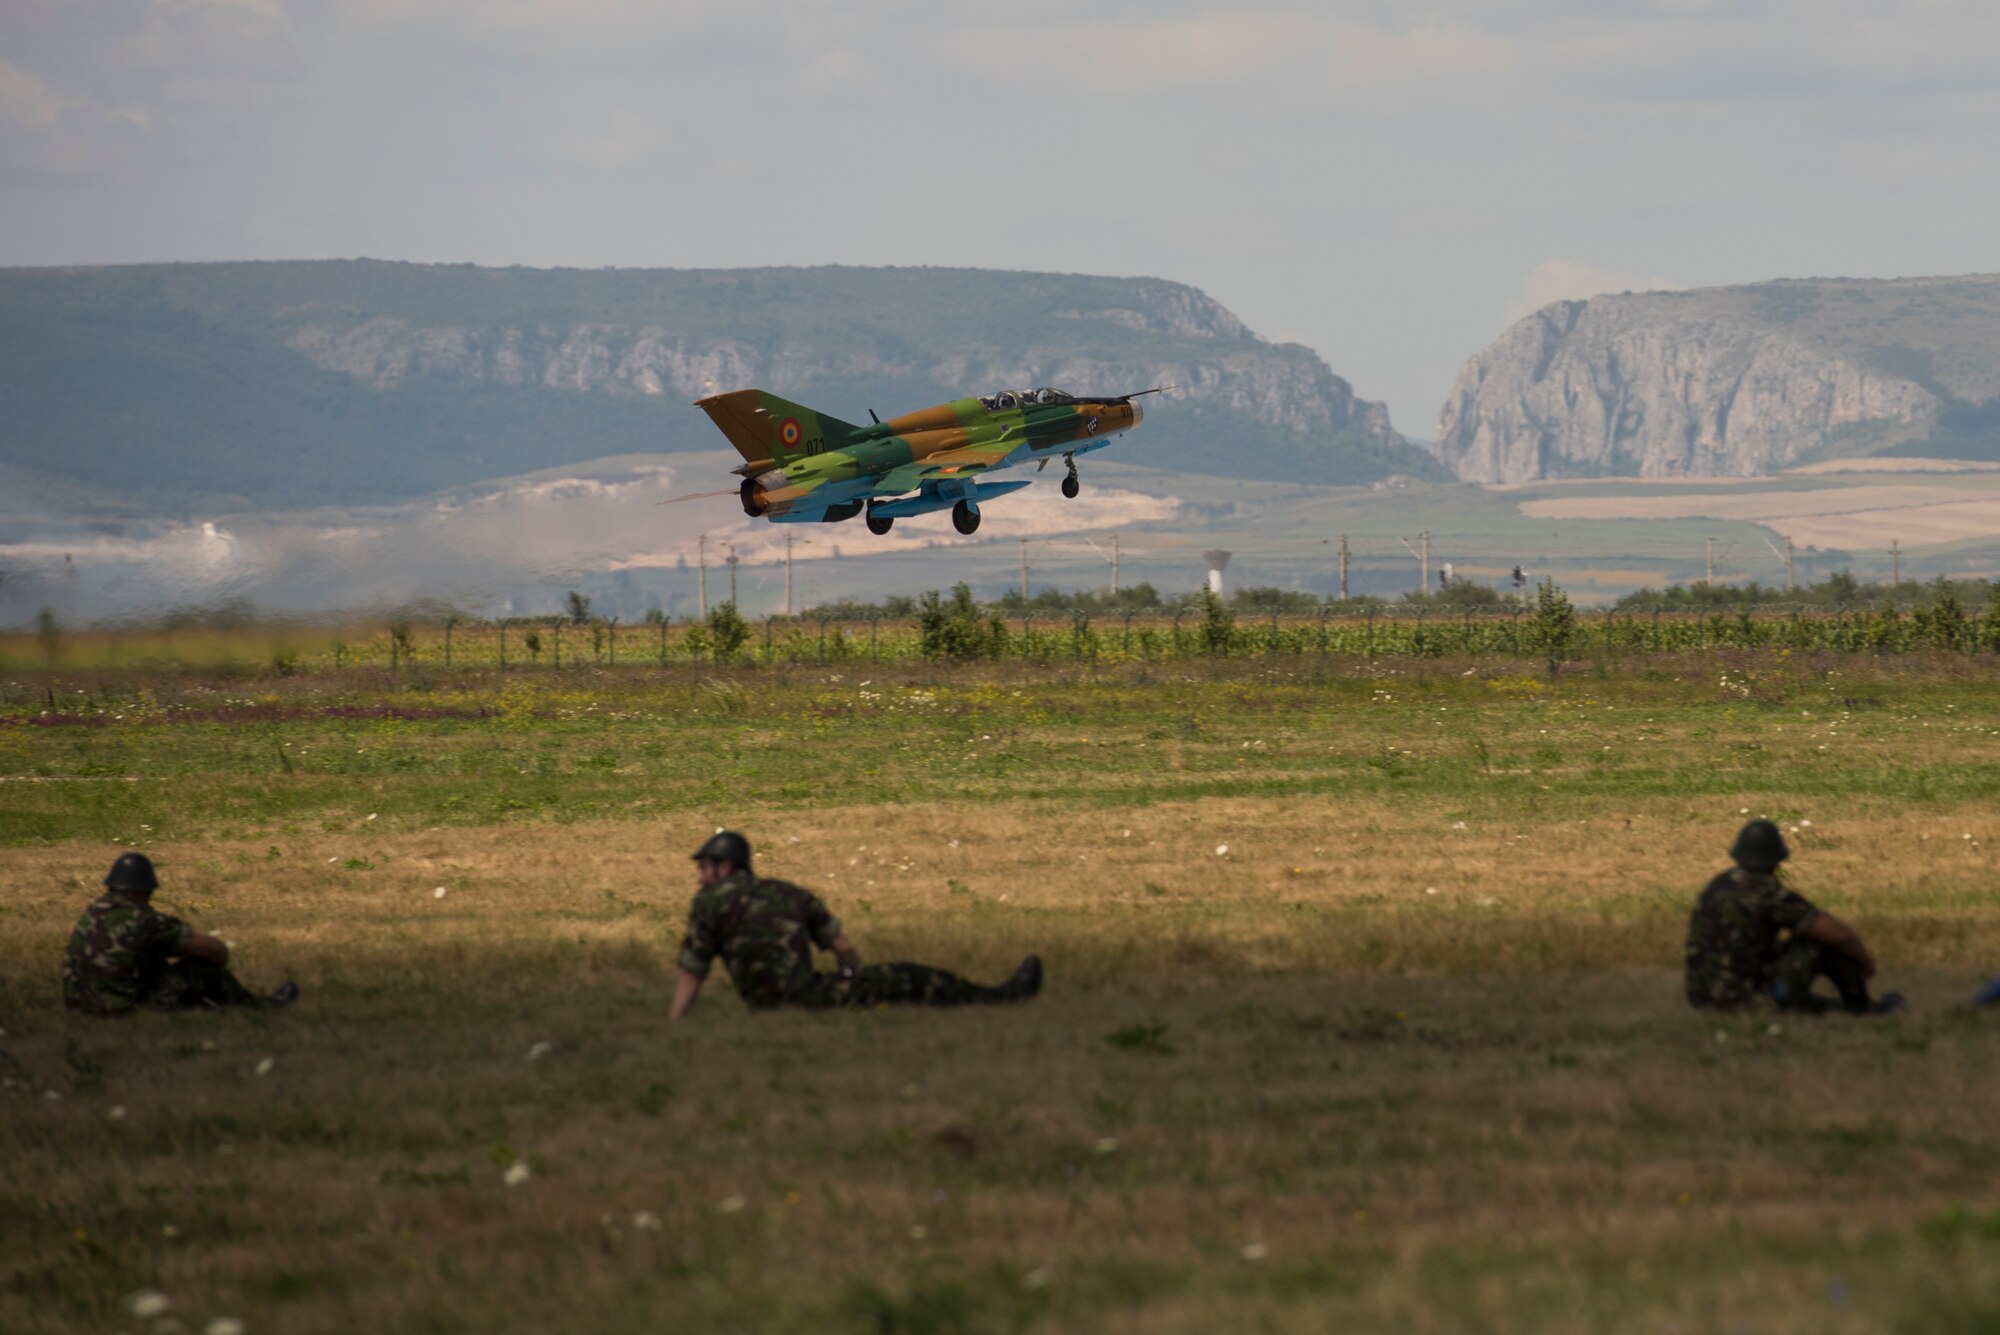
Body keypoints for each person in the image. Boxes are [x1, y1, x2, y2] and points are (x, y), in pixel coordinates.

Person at [669, 831, 1041, 1019]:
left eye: (704, 868)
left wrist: (675, 1022)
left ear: (725, 867)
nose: (700, 878)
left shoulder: (707, 904)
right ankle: (994, 998)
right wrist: (855, 981)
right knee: (909, 976)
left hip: (766, 1009)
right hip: (811, 1000)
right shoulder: (790, 894)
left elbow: (692, 973)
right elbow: (843, 947)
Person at [1684, 819, 1901, 1015]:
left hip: (1702, 1000)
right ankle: (1862, 1008)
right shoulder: (1770, 893)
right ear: (1776, 860)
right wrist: (1865, 963)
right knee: (1819, 942)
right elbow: (1839, 935)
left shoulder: (1715, 887)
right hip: (1748, 1002)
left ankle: (1821, 1006)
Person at [63, 853, 298, 1016]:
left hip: (80, 1004)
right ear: (145, 890)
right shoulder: (143, 920)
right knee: (200, 969)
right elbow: (215, 950)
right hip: (121, 1008)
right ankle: (256, 1008)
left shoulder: (93, 912)